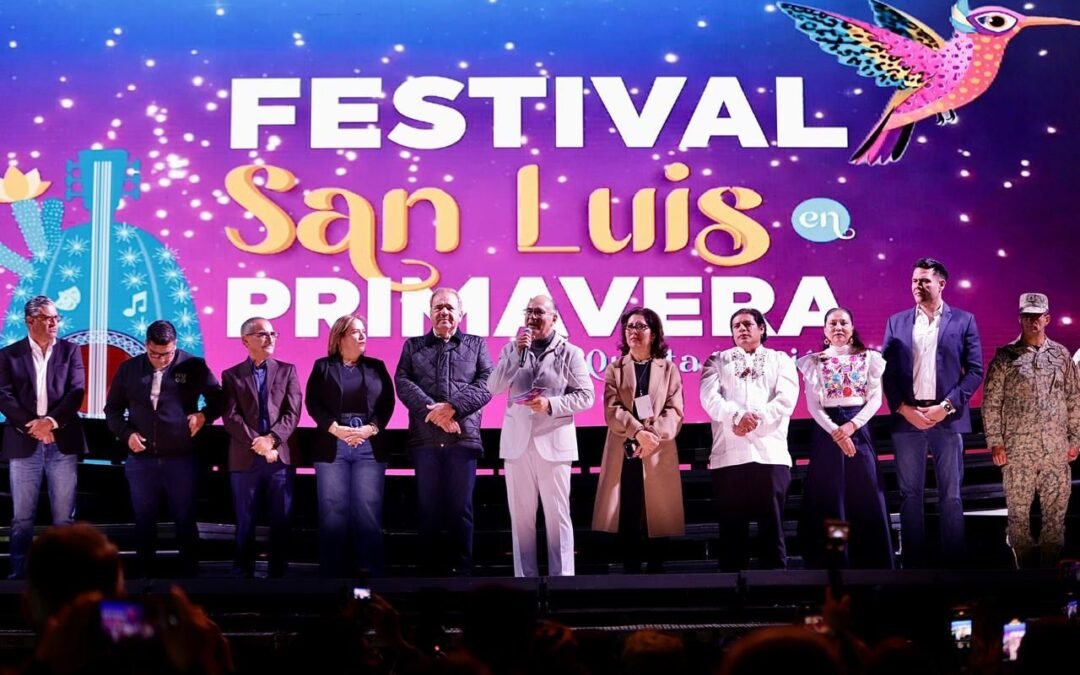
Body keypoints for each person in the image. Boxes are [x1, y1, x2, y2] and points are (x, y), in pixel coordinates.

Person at [882, 257, 983, 567]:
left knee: (951, 495)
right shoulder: (896, 322)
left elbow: (975, 371)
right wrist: (903, 408)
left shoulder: (963, 320)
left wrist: (947, 406)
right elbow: (887, 373)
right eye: (915, 280)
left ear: (941, 284)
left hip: (947, 419)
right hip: (908, 420)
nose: (917, 286)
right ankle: (913, 566)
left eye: (924, 280)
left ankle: (954, 566)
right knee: (909, 496)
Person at [104, 320, 222, 577]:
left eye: (166, 354)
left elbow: (220, 399)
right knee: (144, 521)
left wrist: (204, 416)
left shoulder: (193, 365)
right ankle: (145, 580)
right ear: (146, 345)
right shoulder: (129, 368)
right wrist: (126, 434)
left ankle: (189, 578)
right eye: (154, 354)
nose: (160, 360)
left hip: (181, 458)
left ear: (175, 345)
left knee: (184, 518)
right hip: (141, 459)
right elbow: (112, 409)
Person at [487, 295, 594, 577]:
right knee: (521, 520)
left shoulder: (570, 352)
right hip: (517, 444)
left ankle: (563, 582)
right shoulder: (511, 349)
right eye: (529, 311)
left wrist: (551, 404)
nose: (532, 317)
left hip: (554, 442)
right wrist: (514, 355)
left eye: (539, 312)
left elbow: (586, 396)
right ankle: (524, 583)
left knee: (558, 518)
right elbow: (494, 387)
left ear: (554, 318)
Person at [395, 287, 493, 576]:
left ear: (461, 314)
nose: (444, 312)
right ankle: (427, 575)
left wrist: (453, 408)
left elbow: (487, 383)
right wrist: (436, 415)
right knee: (427, 510)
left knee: (461, 510)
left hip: (463, 440)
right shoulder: (413, 346)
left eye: (450, 307)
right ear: (430, 313)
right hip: (425, 441)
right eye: (438, 307)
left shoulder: (476, 345)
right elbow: (403, 382)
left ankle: (462, 575)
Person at [982, 293, 1080, 568]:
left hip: (1055, 450)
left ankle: (1051, 577)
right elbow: (992, 402)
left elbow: (1074, 398)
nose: (1032, 321)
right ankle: (1024, 577)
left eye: (1037, 316)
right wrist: (995, 442)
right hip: (1018, 452)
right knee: (1018, 518)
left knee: (1055, 519)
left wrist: (1076, 439)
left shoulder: (1061, 355)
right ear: (1020, 319)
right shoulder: (1005, 357)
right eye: (1027, 316)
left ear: (1047, 318)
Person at [699, 308, 798, 571]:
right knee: (732, 533)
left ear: (761, 328)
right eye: (736, 326)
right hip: (729, 457)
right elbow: (710, 399)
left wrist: (755, 419)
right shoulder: (717, 360)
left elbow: (786, 399)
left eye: (747, 324)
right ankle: (733, 589)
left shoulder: (780, 360)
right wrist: (737, 416)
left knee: (772, 529)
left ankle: (775, 588)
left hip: (770, 454)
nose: (742, 329)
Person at [796, 307, 894, 569]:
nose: (838, 327)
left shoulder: (870, 358)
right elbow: (813, 406)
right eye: (832, 323)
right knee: (831, 496)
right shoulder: (813, 362)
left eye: (843, 323)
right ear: (825, 330)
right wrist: (835, 432)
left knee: (865, 494)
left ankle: (871, 561)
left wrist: (851, 426)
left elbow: (875, 400)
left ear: (852, 328)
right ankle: (836, 559)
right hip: (827, 433)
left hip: (859, 429)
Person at [592, 307, 685, 573]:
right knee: (628, 510)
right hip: (625, 448)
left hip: (657, 448)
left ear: (653, 334)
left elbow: (675, 410)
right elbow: (612, 409)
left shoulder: (668, 369)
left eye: (640, 326)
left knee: (659, 511)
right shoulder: (615, 368)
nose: (633, 331)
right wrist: (638, 432)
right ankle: (630, 570)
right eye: (630, 327)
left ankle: (657, 570)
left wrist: (651, 436)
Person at [0, 296, 86, 579]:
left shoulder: (70, 351)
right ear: (30, 321)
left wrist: (50, 423)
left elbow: (76, 392)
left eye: (56, 318)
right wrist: (33, 426)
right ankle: (18, 574)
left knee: (63, 517)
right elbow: (4, 395)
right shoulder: (9, 355)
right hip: (24, 441)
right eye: (48, 318)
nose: (54, 323)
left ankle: (63, 575)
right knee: (22, 517)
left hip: (62, 442)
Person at [305, 314, 395, 577]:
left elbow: (387, 404)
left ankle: (370, 579)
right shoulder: (323, 367)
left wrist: (370, 429)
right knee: (333, 511)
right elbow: (313, 403)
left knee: (368, 511)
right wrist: (336, 429)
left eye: (364, 331)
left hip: (369, 445)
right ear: (340, 337)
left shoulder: (377, 367)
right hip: (333, 444)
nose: (363, 335)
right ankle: (332, 578)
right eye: (356, 331)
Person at [221, 317, 302, 578]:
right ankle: (242, 575)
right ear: (245, 340)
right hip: (245, 458)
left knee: (281, 521)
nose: (270, 338)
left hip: (279, 458)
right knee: (245, 521)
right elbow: (230, 416)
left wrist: (272, 440)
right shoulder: (232, 375)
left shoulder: (287, 371)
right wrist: (258, 443)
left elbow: (292, 412)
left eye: (273, 334)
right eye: (263, 334)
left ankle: (279, 576)